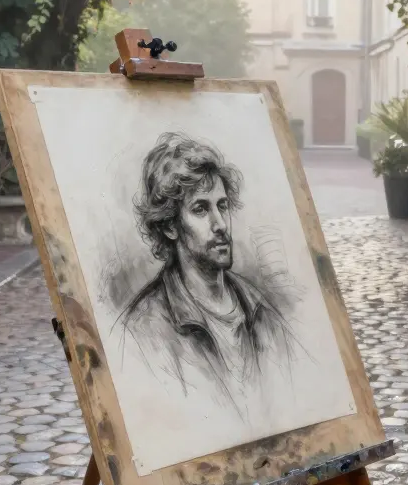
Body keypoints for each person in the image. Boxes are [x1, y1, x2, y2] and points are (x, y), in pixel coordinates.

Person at [116, 132, 297, 415]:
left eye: (222, 206)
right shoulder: (145, 328)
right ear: (169, 226)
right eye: (201, 209)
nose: (220, 224)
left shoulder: (259, 308)